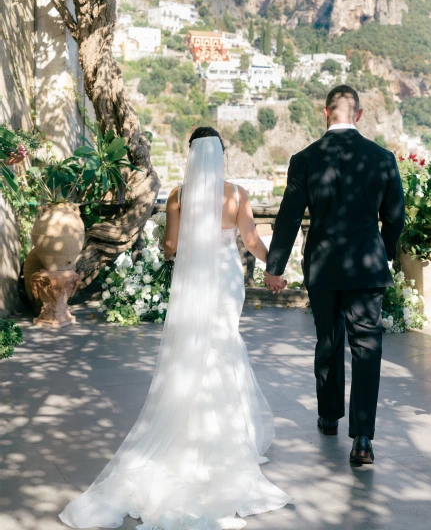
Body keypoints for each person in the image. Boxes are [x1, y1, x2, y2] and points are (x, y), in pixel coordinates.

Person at [60, 127, 293, 530]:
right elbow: (252, 239)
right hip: (224, 277)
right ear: (221, 153)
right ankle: (227, 436)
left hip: (193, 280)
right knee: (224, 344)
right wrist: (274, 268)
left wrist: (186, 241)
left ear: (190, 155)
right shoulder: (236, 194)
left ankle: (186, 431)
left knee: (192, 348)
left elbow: (170, 245)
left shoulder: (178, 195)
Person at [265, 85, 405, 466]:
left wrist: (275, 267)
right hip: (366, 266)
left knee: (327, 340)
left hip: (324, 267)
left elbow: (289, 218)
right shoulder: (382, 158)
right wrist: (386, 254)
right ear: (358, 115)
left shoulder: (305, 158)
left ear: (325, 113)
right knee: (367, 348)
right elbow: (395, 217)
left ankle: (329, 417)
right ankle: (362, 438)